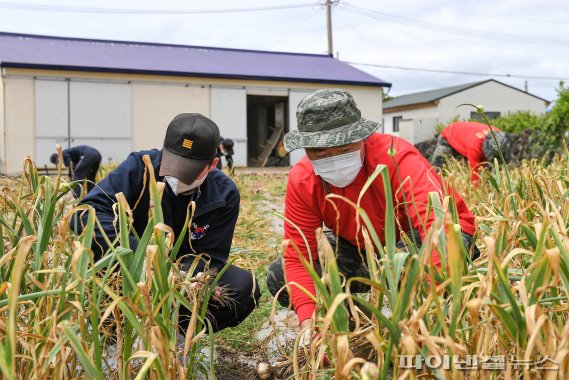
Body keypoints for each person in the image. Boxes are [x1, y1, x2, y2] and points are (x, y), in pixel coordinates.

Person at [265, 89, 478, 335]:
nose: (333, 159)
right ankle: (355, 326)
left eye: (344, 150)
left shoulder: (397, 157)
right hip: (361, 245)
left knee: (407, 267)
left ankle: (422, 321)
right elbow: (298, 256)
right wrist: (308, 324)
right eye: (320, 153)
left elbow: (438, 231)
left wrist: (429, 313)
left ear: (362, 137)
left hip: (424, 237)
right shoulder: (304, 178)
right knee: (279, 276)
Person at [74, 113, 260, 333]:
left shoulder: (224, 194)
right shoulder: (140, 166)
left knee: (244, 288)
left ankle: (177, 334)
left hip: (182, 281)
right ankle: (117, 327)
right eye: (173, 164)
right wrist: (140, 253)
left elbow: (213, 259)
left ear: (212, 164)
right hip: (127, 271)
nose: (177, 177)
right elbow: (85, 214)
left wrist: (175, 274)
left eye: (187, 171)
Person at [430, 121, 511, 182]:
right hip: (450, 135)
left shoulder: (498, 134)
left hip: (466, 137)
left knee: (486, 171)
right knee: (438, 168)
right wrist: (477, 194)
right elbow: (474, 172)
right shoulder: (474, 147)